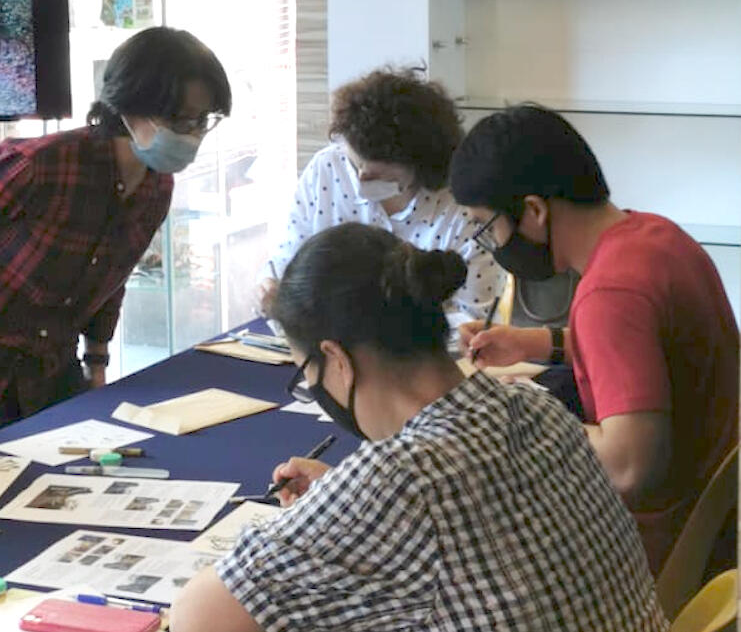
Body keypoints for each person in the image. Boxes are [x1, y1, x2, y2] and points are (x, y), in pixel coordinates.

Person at [172, 223, 667, 632]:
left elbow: (199, 617)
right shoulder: (534, 406)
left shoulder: (400, 478)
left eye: (307, 374)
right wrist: (340, 499)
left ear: (336, 360)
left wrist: (342, 505)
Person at [448, 104, 738, 573]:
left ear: (534, 211)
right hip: (716, 523)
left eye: (489, 226)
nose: (495, 243)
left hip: (667, 551)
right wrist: (531, 343)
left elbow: (629, 467)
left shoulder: (610, 293)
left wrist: (525, 415)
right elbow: (643, 349)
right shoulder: (656, 236)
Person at [0, 26, 232, 442]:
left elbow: (111, 282)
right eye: (181, 119)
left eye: (202, 121)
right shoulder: (42, 165)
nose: (192, 134)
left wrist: (97, 362)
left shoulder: (157, 187)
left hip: (48, 374)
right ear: (131, 107)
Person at [257, 66, 502, 322]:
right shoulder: (328, 168)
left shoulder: (462, 208)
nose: (360, 178)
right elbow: (288, 262)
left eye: (376, 174)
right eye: (355, 164)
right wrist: (271, 286)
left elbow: (474, 319)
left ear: (420, 164)